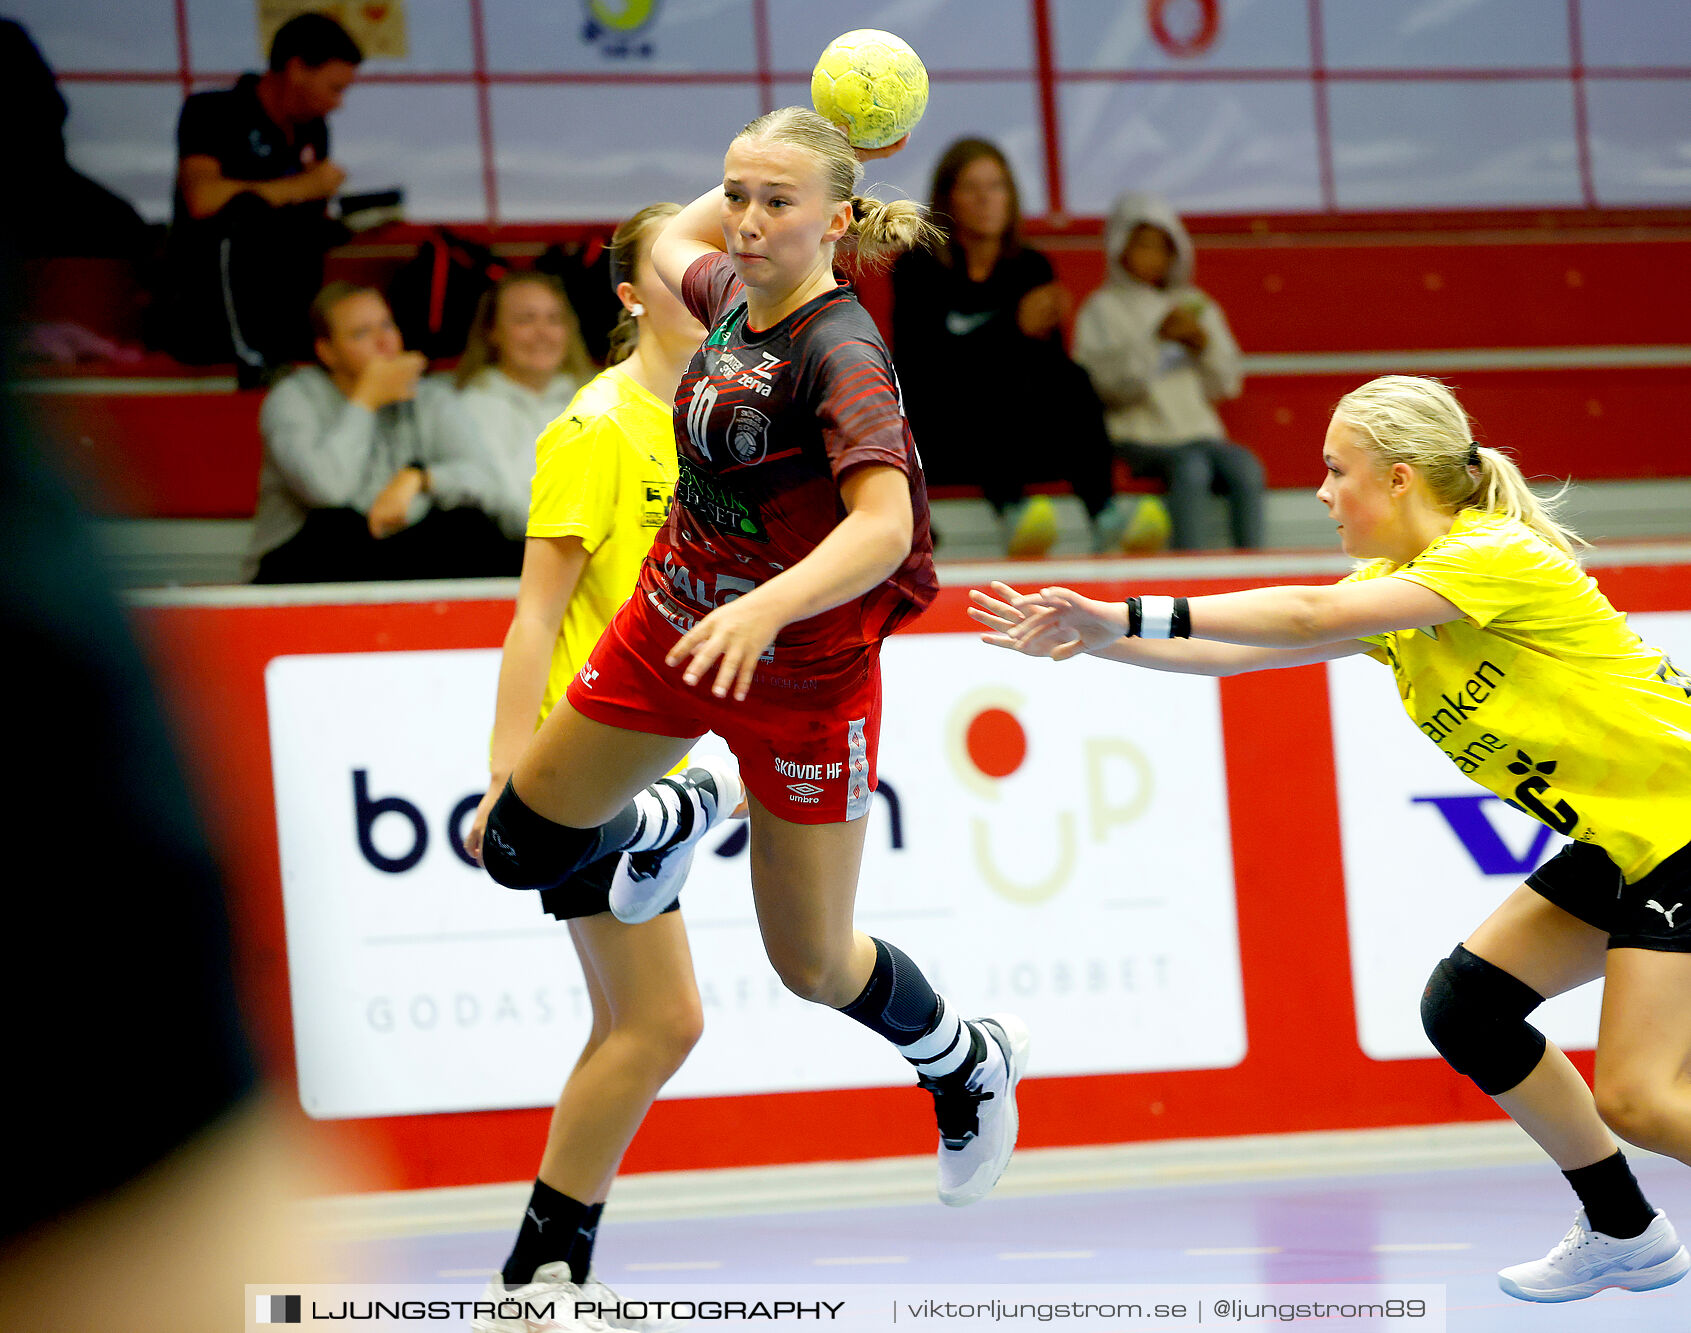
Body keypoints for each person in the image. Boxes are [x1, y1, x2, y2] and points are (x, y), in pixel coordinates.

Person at [972, 374, 1691, 1304]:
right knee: (1467, 1008)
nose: (1318, 493)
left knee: (1636, 1096)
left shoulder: (1491, 556)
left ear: (1397, 480)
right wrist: (1093, 636)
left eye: (1332, 470)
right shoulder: (1398, 601)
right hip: (1633, 839)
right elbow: (1237, 651)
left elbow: (1309, 615)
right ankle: (1624, 1230)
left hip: (1681, 826)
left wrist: (1130, 610)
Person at [477, 107, 1029, 1212]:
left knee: (812, 966)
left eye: (775, 203)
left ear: (837, 222)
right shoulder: (726, 292)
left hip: (799, 671)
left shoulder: (841, 351)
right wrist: (778, 145)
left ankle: (961, 1059)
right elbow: (667, 243)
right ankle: (674, 816)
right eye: (733, 194)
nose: (741, 220)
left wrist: (766, 609)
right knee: (516, 844)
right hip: (674, 627)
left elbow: (881, 527)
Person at [459, 205, 731, 1331]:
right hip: (588, 752)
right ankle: (539, 1272)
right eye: (674, 271)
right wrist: (507, 777)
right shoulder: (595, 427)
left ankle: (541, 1271)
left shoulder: (724, 419)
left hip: (663, 746)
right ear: (628, 297)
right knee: (659, 1022)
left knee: (642, 1023)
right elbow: (535, 616)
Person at [890, 137, 1146, 557]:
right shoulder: (918, 267)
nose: (986, 200)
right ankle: (1013, 512)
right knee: (987, 379)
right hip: (946, 432)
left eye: (997, 187)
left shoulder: (1032, 265)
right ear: (947, 199)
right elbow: (920, 369)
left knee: (1071, 378)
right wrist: (1012, 325)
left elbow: (1051, 365)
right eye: (973, 188)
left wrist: (1028, 332)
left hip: (1026, 432)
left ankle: (1105, 514)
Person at [248, 282, 519, 583]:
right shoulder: (291, 400)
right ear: (327, 352)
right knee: (338, 525)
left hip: (399, 549)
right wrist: (365, 400)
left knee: (472, 528)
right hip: (308, 558)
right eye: (361, 333)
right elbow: (329, 491)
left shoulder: (430, 397)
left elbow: (488, 483)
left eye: (387, 325)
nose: (384, 342)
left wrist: (420, 478)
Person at [162, 12, 362, 383]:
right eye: (335, 89)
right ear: (298, 69)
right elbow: (203, 198)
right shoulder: (213, 112)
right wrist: (299, 187)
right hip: (210, 309)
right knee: (246, 215)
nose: (338, 104)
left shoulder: (312, 128)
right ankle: (252, 355)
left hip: (287, 307)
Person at [1072, 192, 1264, 551]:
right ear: (1120, 247)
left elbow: (1226, 383)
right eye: (1142, 245)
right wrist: (1155, 340)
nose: (1153, 257)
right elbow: (1105, 388)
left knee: (1246, 468)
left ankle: (1252, 568)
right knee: (1191, 470)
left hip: (1200, 434)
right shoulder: (1102, 308)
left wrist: (1203, 344)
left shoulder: (1195, 305)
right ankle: (1190, 573)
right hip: (1137, 438)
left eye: (1163, 247)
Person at [455, 271, 595, 542]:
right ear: (492, 331)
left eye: (553, 319)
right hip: (510, 556)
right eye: (525, 320)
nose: (542, 333)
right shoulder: (468, 406)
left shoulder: (599, 398)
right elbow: (503, 501)